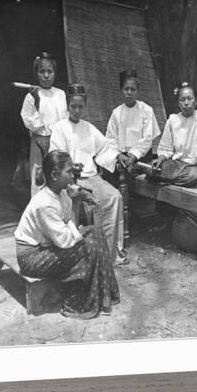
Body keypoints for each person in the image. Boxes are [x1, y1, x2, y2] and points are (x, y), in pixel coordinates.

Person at [14, 151, 120, 319]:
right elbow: (65, 240)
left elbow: (69, 224)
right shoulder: (44, 204)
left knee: (96, 233)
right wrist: (81, 231)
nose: (73, 176)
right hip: (31, 257)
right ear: (55, 175)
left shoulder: (62, 194)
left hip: (48, 247)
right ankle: (78, 303)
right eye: (69, 172)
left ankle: (104, 296)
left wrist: (76, 202)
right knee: (89, 244)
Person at [49, 83, 128, 265]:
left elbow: (105, 147)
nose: (77, 111)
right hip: (68, 179)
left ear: (85, 106)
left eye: (80, 107)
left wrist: (118, 156)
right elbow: (55, 157)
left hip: (90, 176)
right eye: (73, 106)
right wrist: (69, 166)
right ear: (67, 106)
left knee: (114, 197)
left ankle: (110, 254)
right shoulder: (59, 128)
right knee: (86, 201)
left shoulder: (88, 127)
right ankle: (90, 253)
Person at [20, 52, 68, 196]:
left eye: (50, 71)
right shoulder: (31, 96)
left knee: (59, 179)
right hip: (39, 143)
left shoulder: (60, 94)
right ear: (37, 74)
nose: (46, 75)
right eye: (42, 72)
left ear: (54, 73)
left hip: (57, 142)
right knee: (39, 180)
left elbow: (64, 119)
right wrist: (37, 102)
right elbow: (31, 123)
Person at [149, 82, 197, 187]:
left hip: (191, 166)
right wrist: (161, 158)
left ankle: (165, 179)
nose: (186, 103)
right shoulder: (172, 119)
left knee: (194, 176)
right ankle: (166, 178)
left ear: (196, 101)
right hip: (175, 164)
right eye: (182, 100)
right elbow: (166, 147)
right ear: (178, 103)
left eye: (190, 99)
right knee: (150, 168)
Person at [106, 69, 161, 172]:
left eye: (133, 89)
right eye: (126, 89)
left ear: (138, 91)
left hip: (141, 156)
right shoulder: (116, 113)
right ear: (121, 90)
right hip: (122, 157)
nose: (129, 93)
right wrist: (118, 155)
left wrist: (134, 156)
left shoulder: (146, 110)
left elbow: (148, 139)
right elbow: (111, 138)